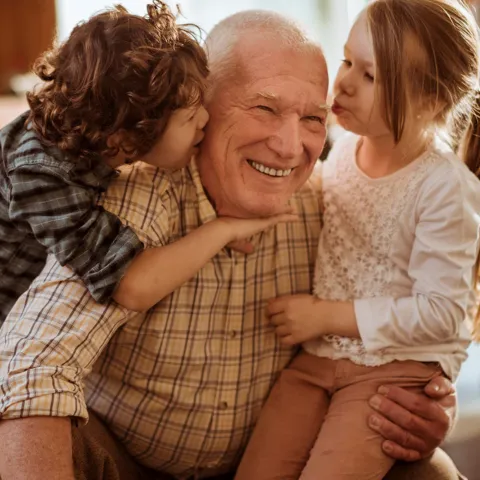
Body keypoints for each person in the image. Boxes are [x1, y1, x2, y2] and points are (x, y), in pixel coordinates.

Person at [0, 8, 462, 480]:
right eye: (264, 108)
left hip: (271, 457)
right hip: (126, 462)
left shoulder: (332, 199)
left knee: (432, 472)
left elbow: (428, 303)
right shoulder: (136, 200)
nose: (288, 147)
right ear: (201, 110)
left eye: (312, 118)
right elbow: (30, 364)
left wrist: (429, 394)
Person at [235, 1, 480, 479]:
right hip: (317, 361)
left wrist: (324, 315)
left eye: (369, 76)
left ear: (429, 102)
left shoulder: (444, 187)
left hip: (394, 374)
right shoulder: (345, 148)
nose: (343, 82)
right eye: (347, 61)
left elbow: (442, 313)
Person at [0, 1, 212, 324]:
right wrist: (222, 230)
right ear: (125, 137)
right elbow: (131, 284)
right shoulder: (42, 173)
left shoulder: (91, 137)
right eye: (191, 117)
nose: (206, 120)